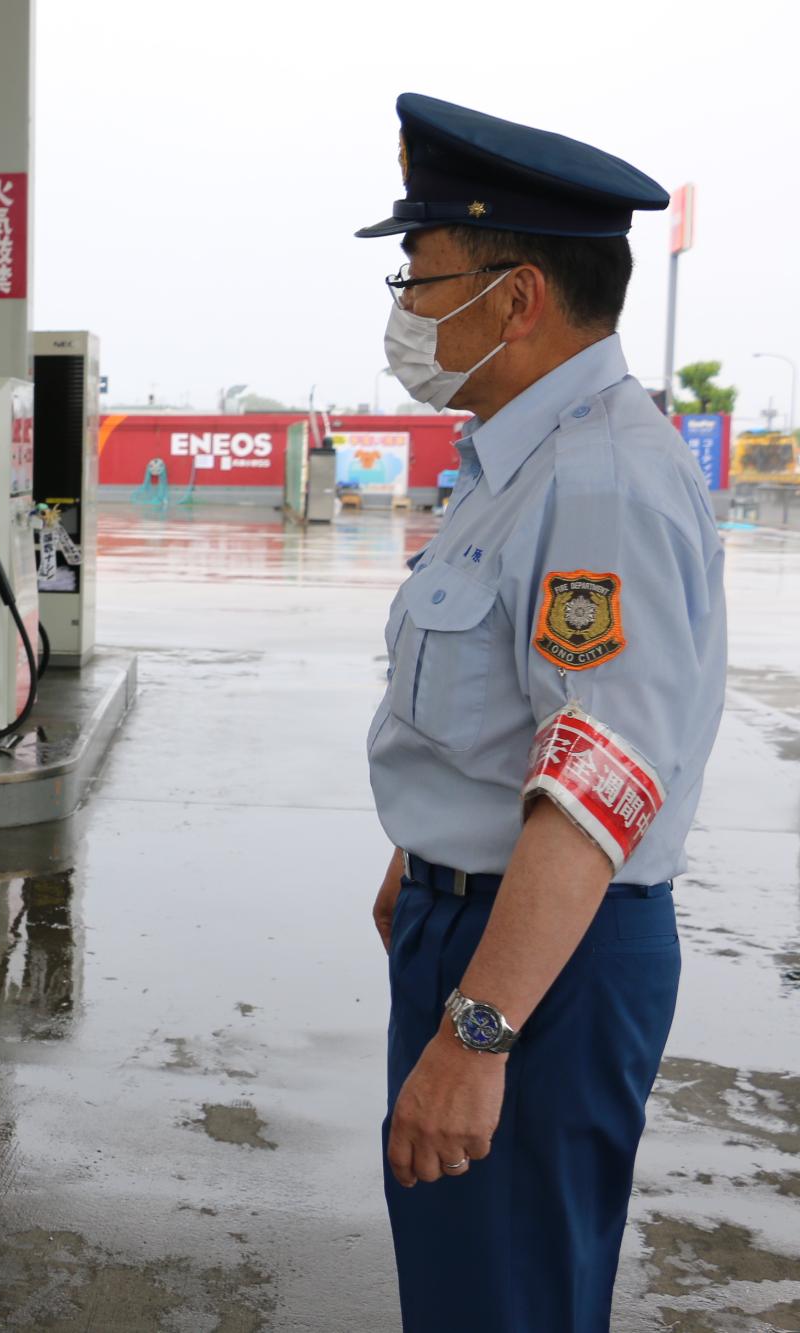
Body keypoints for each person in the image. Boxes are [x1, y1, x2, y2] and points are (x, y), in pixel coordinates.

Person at [358, 95, 726, 1332]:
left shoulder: (596, 477)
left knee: (502, 1302)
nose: (403, 309)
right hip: (478, 930)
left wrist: (476, 1035)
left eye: (420, 278)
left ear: (513, 299)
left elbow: (595, 776)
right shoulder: (513, 463)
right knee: (472, 1288)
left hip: (538, 973)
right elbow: (502, 715)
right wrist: (419, 856)